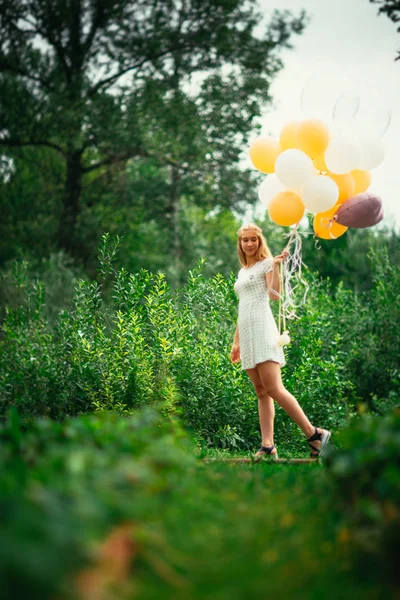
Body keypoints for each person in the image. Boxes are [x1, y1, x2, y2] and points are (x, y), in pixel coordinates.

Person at [230, 223, 331, 460]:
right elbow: (242, 307)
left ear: (259, 241)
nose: (249, 244)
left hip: (263, 330)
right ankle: (268, 446)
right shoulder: (242, 271)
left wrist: (275, 267)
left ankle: (314, 433)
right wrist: (237, 341)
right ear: (240, 244)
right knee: (261, 392)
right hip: (247, 333)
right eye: (245, 240)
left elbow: (274, 296)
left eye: (253, 239)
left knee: (274, 388)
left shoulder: (267, 263)